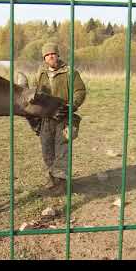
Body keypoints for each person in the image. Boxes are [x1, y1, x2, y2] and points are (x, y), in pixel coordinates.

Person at [32, 42, 86, 191]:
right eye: (47, 55)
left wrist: (72, 106)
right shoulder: (40, 74)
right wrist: (34, 116)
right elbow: (33, 94)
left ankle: (62, 183)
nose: (51, 57)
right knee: (47, 150)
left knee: (62, 150)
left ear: (58, 55)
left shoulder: (70, 72)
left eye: (53, 54)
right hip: (45, 119)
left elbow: (80, 91)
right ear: (44, 58)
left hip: (63, 118)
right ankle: (52, 179)